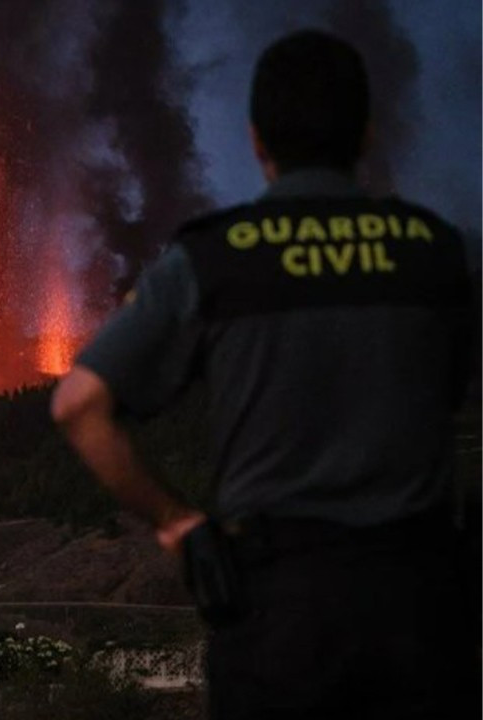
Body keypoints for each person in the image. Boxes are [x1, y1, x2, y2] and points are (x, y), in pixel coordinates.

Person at [52, 30, 477, 719]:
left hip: (279, 619)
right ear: (367, 133)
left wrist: (178, 521)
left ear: (256, 142)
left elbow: (77, 405)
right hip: (419, 614)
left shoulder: (218, 259)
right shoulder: (437, 253)